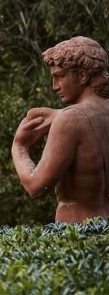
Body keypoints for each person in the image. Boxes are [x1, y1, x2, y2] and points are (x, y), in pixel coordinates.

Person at [12, 36, 109, 222]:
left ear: (82, 76)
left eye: (59, 76)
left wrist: (19, 146)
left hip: (78, 235)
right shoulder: (83, 117)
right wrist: (58, 115)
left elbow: (35, 186)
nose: (54, 86)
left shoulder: (69, 120)